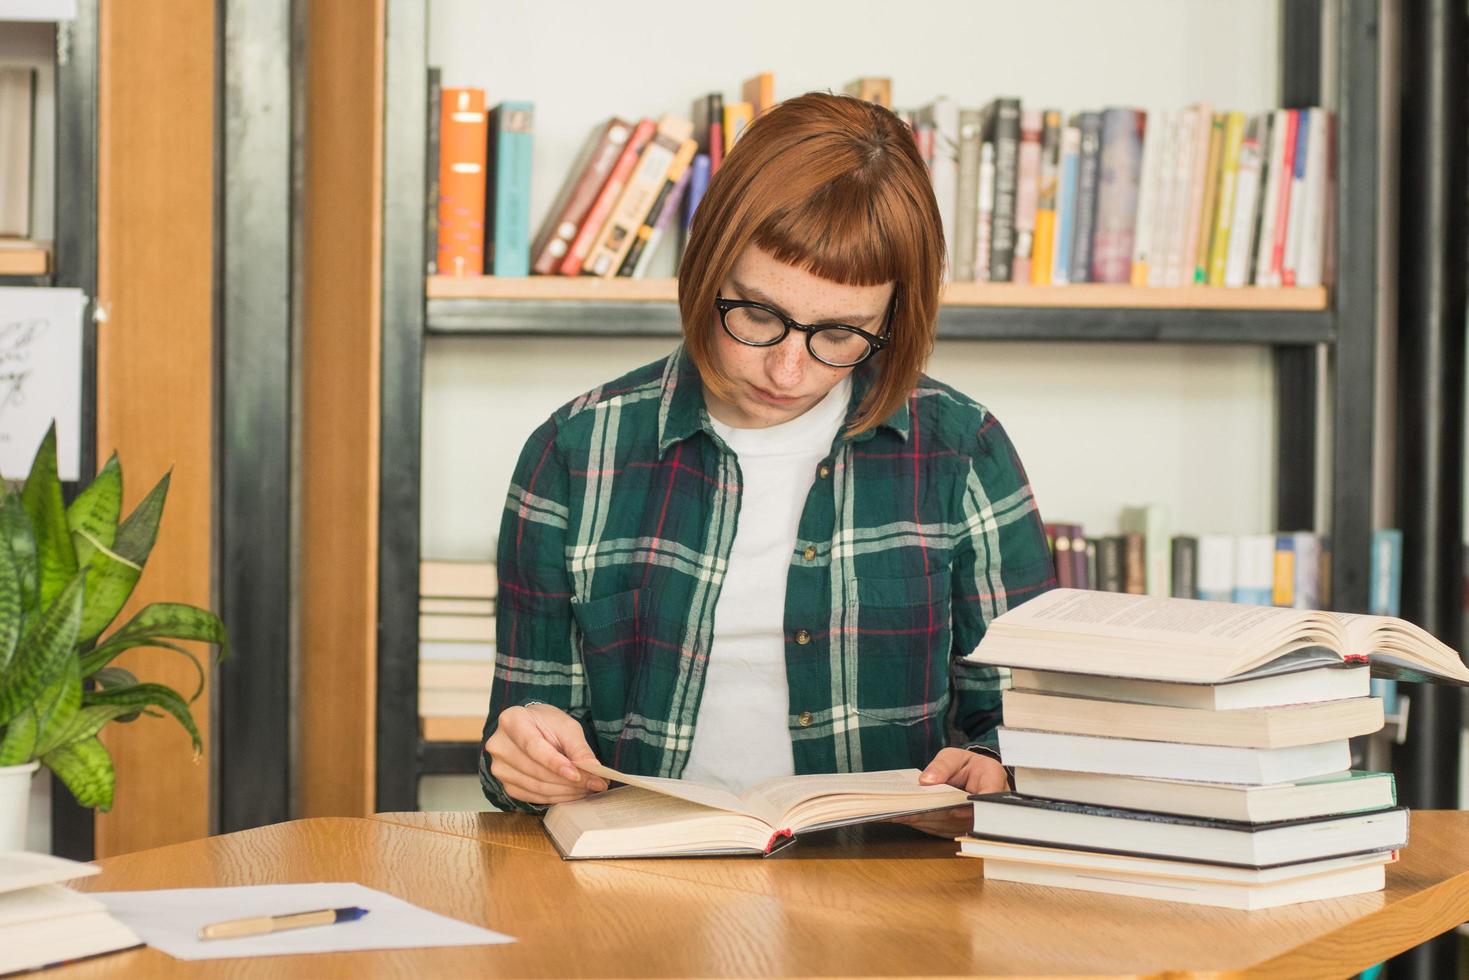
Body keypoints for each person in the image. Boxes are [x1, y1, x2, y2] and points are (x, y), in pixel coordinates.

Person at [481, 91, 1055, 838]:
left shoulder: (961, 450)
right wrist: (523, 762)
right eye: (756, 315)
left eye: (841, 334)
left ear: (892, 321)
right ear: (707, 266)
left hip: (885, 895)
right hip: (641, 895)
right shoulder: (574, 452)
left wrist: (995, 767)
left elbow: (1028, 722)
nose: (786, 371)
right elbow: (524, 734)